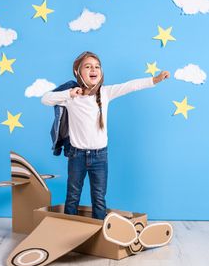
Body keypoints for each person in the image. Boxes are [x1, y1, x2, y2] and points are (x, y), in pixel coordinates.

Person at [41, 51, 170, 219]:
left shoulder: (105, 93)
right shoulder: (71, 97)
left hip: (100, 156)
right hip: (76, 155)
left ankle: (100, 234)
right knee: (72, 197)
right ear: (77, 72)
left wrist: (155, 80)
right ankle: (69, 229)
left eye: (97, 66)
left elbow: (130, 85)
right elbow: (45, 99)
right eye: (88, 66)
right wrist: (69, 93)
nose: (93, 69)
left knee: (99, 198)